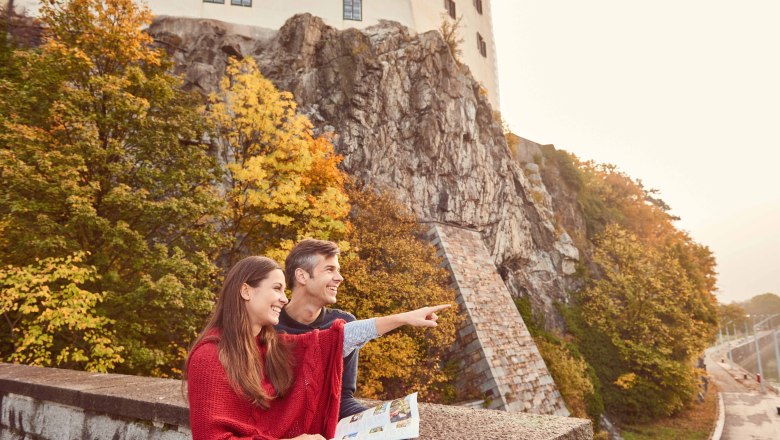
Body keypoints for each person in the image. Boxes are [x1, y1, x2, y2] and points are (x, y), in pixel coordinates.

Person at [185, 255, 448, 440]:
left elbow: (332, 342)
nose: (283, 298)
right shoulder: (210, 356)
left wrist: (402, 319)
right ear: (245, 291)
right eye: (276, 288)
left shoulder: (268, 345)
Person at [275, 239, 365, 419]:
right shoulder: (268, 323)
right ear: (302, 276)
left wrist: (378, 420)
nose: (340, 278)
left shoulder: (343, 323)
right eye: (330, 269)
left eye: (338, 270)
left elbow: (342, 398)